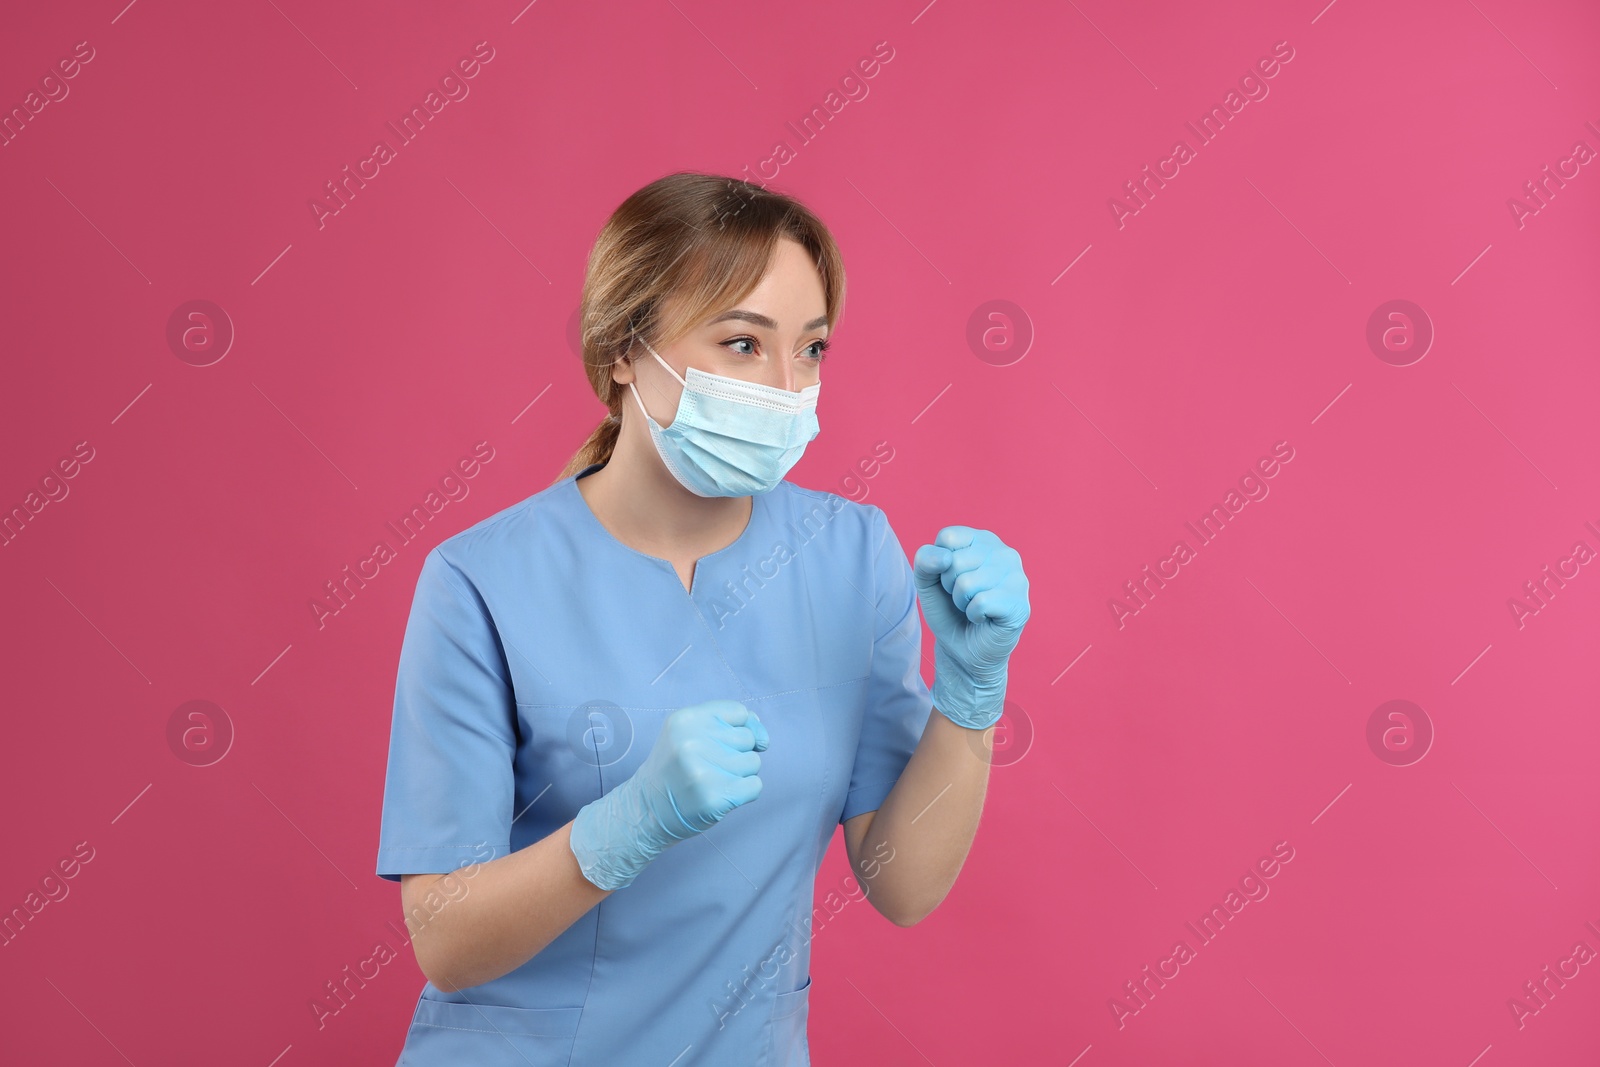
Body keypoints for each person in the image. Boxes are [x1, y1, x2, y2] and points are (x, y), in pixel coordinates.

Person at [374, 171, 1031, 1065]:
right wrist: (626, 824)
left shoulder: (851, 555)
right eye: (742, 343)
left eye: (811, 349)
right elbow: (444, 943)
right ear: (623, 348)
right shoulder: (479, 582)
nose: (785, 386)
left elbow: (902, 884)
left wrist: (970, 698)